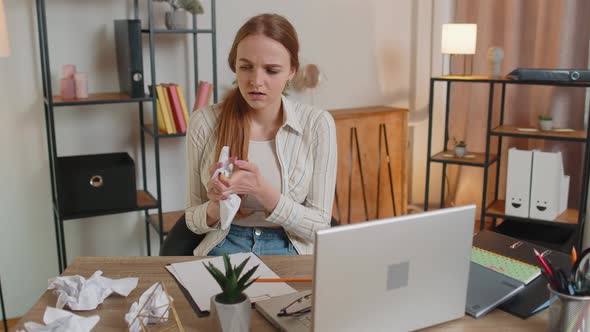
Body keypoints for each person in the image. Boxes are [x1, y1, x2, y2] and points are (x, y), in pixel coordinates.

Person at [185, 13, 337, 256]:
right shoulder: (203, 122)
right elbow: (192, 220)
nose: (256, 81)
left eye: (272, 70)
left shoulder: (318, 124)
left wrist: (262, 191)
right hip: (225, 242)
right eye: (245, 67)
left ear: (292, 71)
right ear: (234, 65)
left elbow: (320, 225)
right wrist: (216, 206)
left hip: (291, 245)